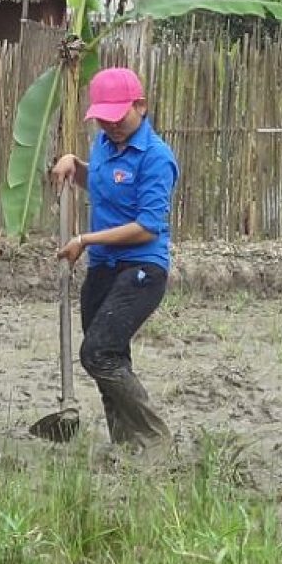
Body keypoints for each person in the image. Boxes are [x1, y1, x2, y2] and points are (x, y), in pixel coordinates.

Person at [50, 67, 178, 450]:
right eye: (103, 118)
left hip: (141, 267)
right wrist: (75, 164)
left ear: (141, 106)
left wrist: (85, 239)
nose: (111, 125)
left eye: (118, 117)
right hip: (103, 268)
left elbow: (147, 226)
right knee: (111, 358)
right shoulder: (104, 145)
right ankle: (125, 447)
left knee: (98, 352)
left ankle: (156, 440)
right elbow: (105, 184)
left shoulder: (156, 157)